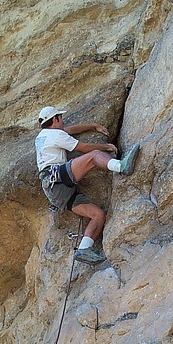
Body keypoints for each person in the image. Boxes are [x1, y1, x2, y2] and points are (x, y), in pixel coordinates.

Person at [35, 105, 140, 265]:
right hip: (57, 176)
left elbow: (69, 129)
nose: (63, 121)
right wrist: (105, 147)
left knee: (98, 215)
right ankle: (121, 167)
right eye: (60, 118)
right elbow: (83, 148)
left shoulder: (42, 136)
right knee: (94, 156)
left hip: (54, 192)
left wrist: (93, 126)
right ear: (55, 119)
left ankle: (84, 249)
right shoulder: (56, 134)